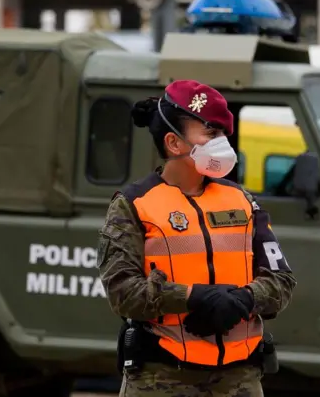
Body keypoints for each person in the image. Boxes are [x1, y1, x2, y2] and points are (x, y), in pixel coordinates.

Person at [96, 79, 297, 397]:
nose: (222, 143)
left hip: (239, 381)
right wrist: (194, 298)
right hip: (161, 380)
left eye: (222, 134)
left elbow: (281, 281)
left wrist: (241, 300)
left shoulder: (242, 201)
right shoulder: (134, 204)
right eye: (211, 133)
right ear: (174, 144)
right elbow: (122, 293)